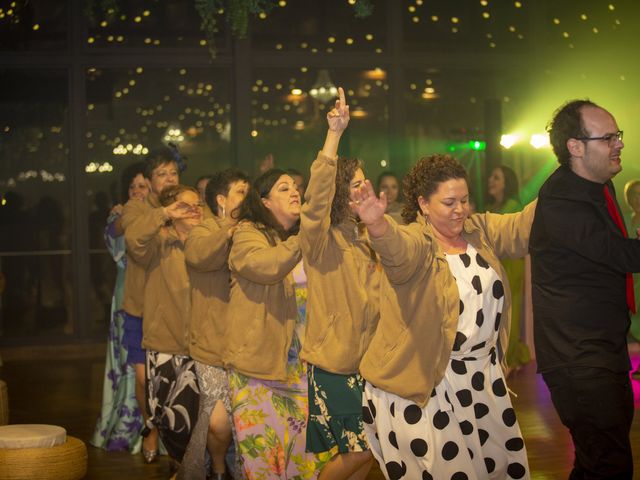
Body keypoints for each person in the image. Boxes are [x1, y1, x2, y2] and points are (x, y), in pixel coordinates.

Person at [352, 154, 535, 480]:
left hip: (482, 381)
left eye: (464, 200)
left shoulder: (479, 230)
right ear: (423, 203)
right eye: (449, 202)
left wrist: (570, 175)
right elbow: (396, 253)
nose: (460, 210)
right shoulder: (417, 242)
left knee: (495, 472)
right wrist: (377, 225)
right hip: (431, 386)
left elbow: (523, 225)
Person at [530, 99, 640, 479]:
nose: (619, 144)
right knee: (610, 465)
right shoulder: (562, 198)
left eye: (617, 135)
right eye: (608, 137)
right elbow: (617, 254)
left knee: (598, 463)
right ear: (575, 147)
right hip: (578, 359)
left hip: (601, 352)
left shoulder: (598, 186)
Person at [299, 87, 380, 480]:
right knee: (361, 451)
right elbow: (314, 202)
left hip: (369, 365)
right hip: (333, 364)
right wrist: (334, 135)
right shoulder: (321, 239)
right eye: (355, 185)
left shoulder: (367, 239)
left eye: (366, 183)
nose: (364, 189)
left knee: (368, 452)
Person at [226, 169, 328, 478]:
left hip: (300, 370)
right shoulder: (248, 235)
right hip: (258, 369)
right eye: (284, 189)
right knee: (262, 464)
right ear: (265, 202)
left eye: (296, 187)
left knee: (305, 465)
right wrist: (302, 239)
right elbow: (265, 266)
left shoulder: (301, 241)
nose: (295, 192)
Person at [125, 184, 202, 467]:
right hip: (165, 341)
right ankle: (173, 457)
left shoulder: (205, 242)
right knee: (169, 415)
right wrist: (164, 212)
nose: (194, 210)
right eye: (186, 205)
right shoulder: (159, 242)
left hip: (203, 344)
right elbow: (133, 239)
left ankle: (194, 467)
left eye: (198, 205)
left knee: (200, 415)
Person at [181, 169, 249, 480]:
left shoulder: (252, 231)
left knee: (245, 422)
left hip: (247, 345)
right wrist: (228, 232)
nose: (246, 199)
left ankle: (239, 471)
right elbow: (200, 257)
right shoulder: (203, 231)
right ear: (221, 200)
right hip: (211, 345)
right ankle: (219, 470)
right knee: (220, 422)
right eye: (240, 193)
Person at [120, 147, 182, 463]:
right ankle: (151, 426)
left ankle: (177, 443)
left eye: (173, 172)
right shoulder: (135, 208)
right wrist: (165, 213)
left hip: (175, 309)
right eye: (162, 174)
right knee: (145, 379)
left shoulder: (188, 204)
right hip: (141, 308)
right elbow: (132, 235)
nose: (169, 179)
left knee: (172, 380)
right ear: (149, 180)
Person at [90, 162, 149, 452]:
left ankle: (159, 430)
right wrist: (128, 213)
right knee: (129, 364)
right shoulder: (118, 215)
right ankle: (128, 427)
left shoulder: (160, 213)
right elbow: (114, 239)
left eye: (142, 185)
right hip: (127, 297)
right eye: (132, 186)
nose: (137, 191)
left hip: (158, 297)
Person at [486, 166, 531, 372]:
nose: (491, 180)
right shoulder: (495, 206)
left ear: (507, 183)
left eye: (496, 177)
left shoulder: (512, 205)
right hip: (496, 263)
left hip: (509, 264)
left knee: (508, 312)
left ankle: (510, 359)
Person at [624, 179, 640, 381]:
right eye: (635, 194)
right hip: (630, 278)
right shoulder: (625, 219)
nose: (638, 198)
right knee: (632, 322)